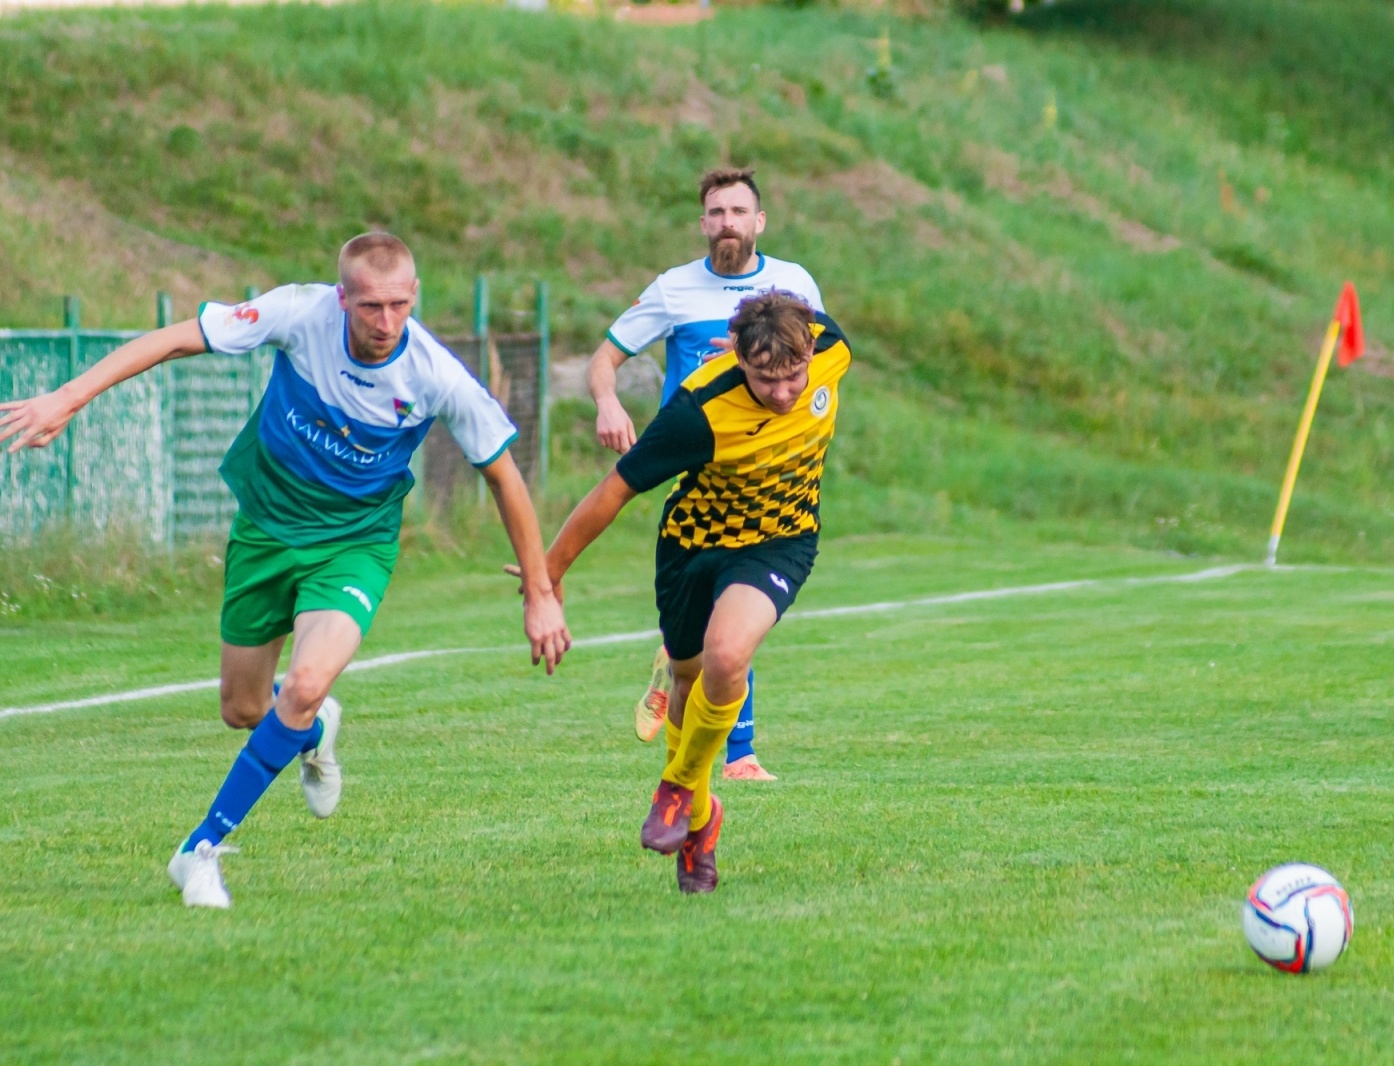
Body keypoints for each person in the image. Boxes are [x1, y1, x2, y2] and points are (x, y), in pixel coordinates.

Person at [0, 232, 571, 909]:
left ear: (414, 297)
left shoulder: (437, 376)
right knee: (245, 709)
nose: (385, 322)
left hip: (354, 545)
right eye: (369, 307)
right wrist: (70, 396)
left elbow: (505, 477)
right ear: (342, 299)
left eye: (397, 305)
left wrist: (540, 593)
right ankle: (314, 725)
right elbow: (178, 337)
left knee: (302, 681)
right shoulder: (301, 315)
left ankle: (201, 850)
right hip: (266, 529)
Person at [532, 291, 851, 893]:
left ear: (811, 350)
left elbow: (800, 321)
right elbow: (614, 491)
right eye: (764, 380)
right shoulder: (697, 411)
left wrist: (762, 341)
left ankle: (677, 786)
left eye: (793, 378)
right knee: (685, 681)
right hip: (692, 548)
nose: (784, 394)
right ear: (738, 358)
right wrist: (549, 575)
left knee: (728, 656)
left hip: (779, 543)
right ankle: (701, 826)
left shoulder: (830, 346)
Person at [586, 166, 824, 782]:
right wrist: (608, 402)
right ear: (703, 223)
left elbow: (817, 357)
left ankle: (727, 739)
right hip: (695, 464)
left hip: (768, 459)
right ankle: (718, 730)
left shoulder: (793, 284)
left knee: (737, 607)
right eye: (717, 213)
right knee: (730, 600)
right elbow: (605, 357)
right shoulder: (674, 289)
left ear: (759, 221)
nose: (728, 224)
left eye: (738, 212)